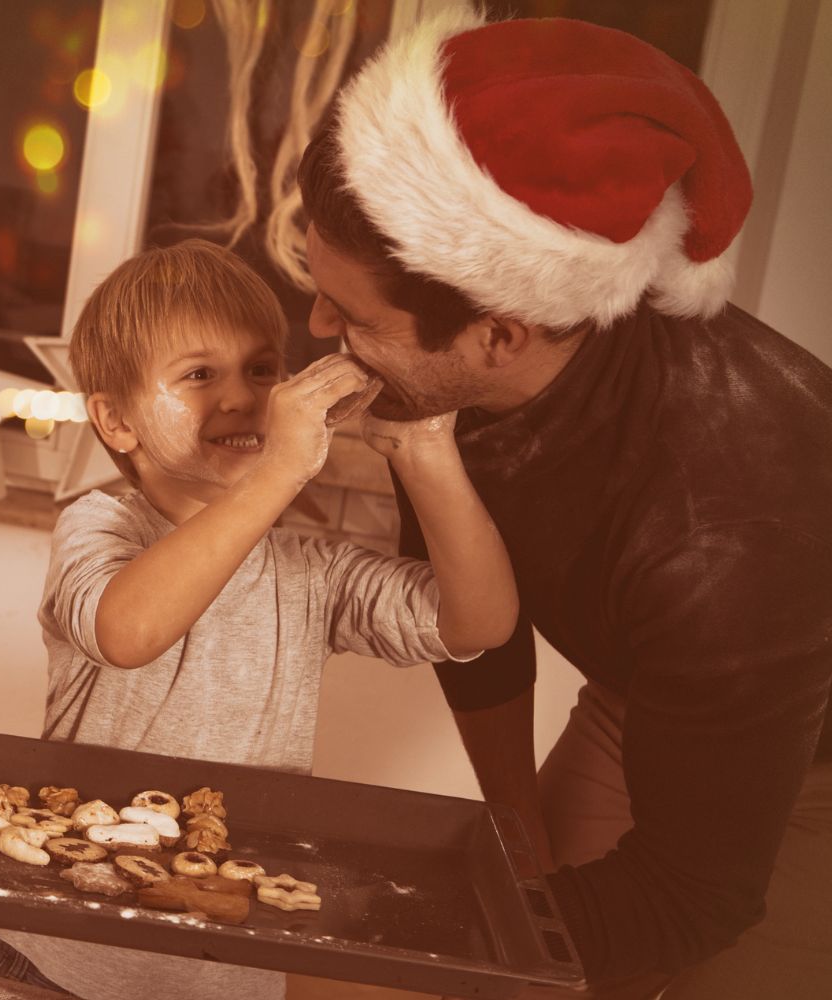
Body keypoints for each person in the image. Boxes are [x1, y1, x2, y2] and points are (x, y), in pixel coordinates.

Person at [299, 10, 832, 997]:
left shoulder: (725, 534)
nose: (317, 326)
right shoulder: (454, 393)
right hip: (659, 687)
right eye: (315, 283)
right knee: (525, 930)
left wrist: (372, 924)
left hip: (806, 754)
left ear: (499, 335)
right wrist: (515, 833)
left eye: (354, 316)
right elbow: (480, 623)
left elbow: (691, 894)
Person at [0, 240, 519, 998]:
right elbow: (127, 633)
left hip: (226, 974)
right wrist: (283, 468)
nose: (243, 397)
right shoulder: (97, 527)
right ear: (115, 421)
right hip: (57, 957)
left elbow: (478, 622)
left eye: (263, 370)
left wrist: (424, 449)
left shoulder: (310, 568)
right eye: (199, 375)